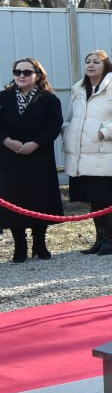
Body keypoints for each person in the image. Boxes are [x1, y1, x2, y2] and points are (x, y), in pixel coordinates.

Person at [64, 49, 112, 255]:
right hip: (83, 154)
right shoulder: (78, 89)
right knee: (94, 200)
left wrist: (104, 132)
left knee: (106, 199)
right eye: (88, 61)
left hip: (104, 153)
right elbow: (70, 119)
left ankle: (109, 240)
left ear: (106, 66)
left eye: (96, 62)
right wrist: (68, 132)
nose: (91, 65)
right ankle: (98, 239)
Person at [0, 58, 63, 262]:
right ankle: (20, 244)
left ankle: (40, 242)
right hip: (10, 157)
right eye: (17, 72)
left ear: (37, 74)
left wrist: (35, 143)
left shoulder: (49, 99)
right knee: (14, 200)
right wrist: (7, 141)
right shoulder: (3, 97)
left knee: (39, 199)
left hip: (38, 156)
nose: (21, 76)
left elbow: (54, 125)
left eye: (27, 72)